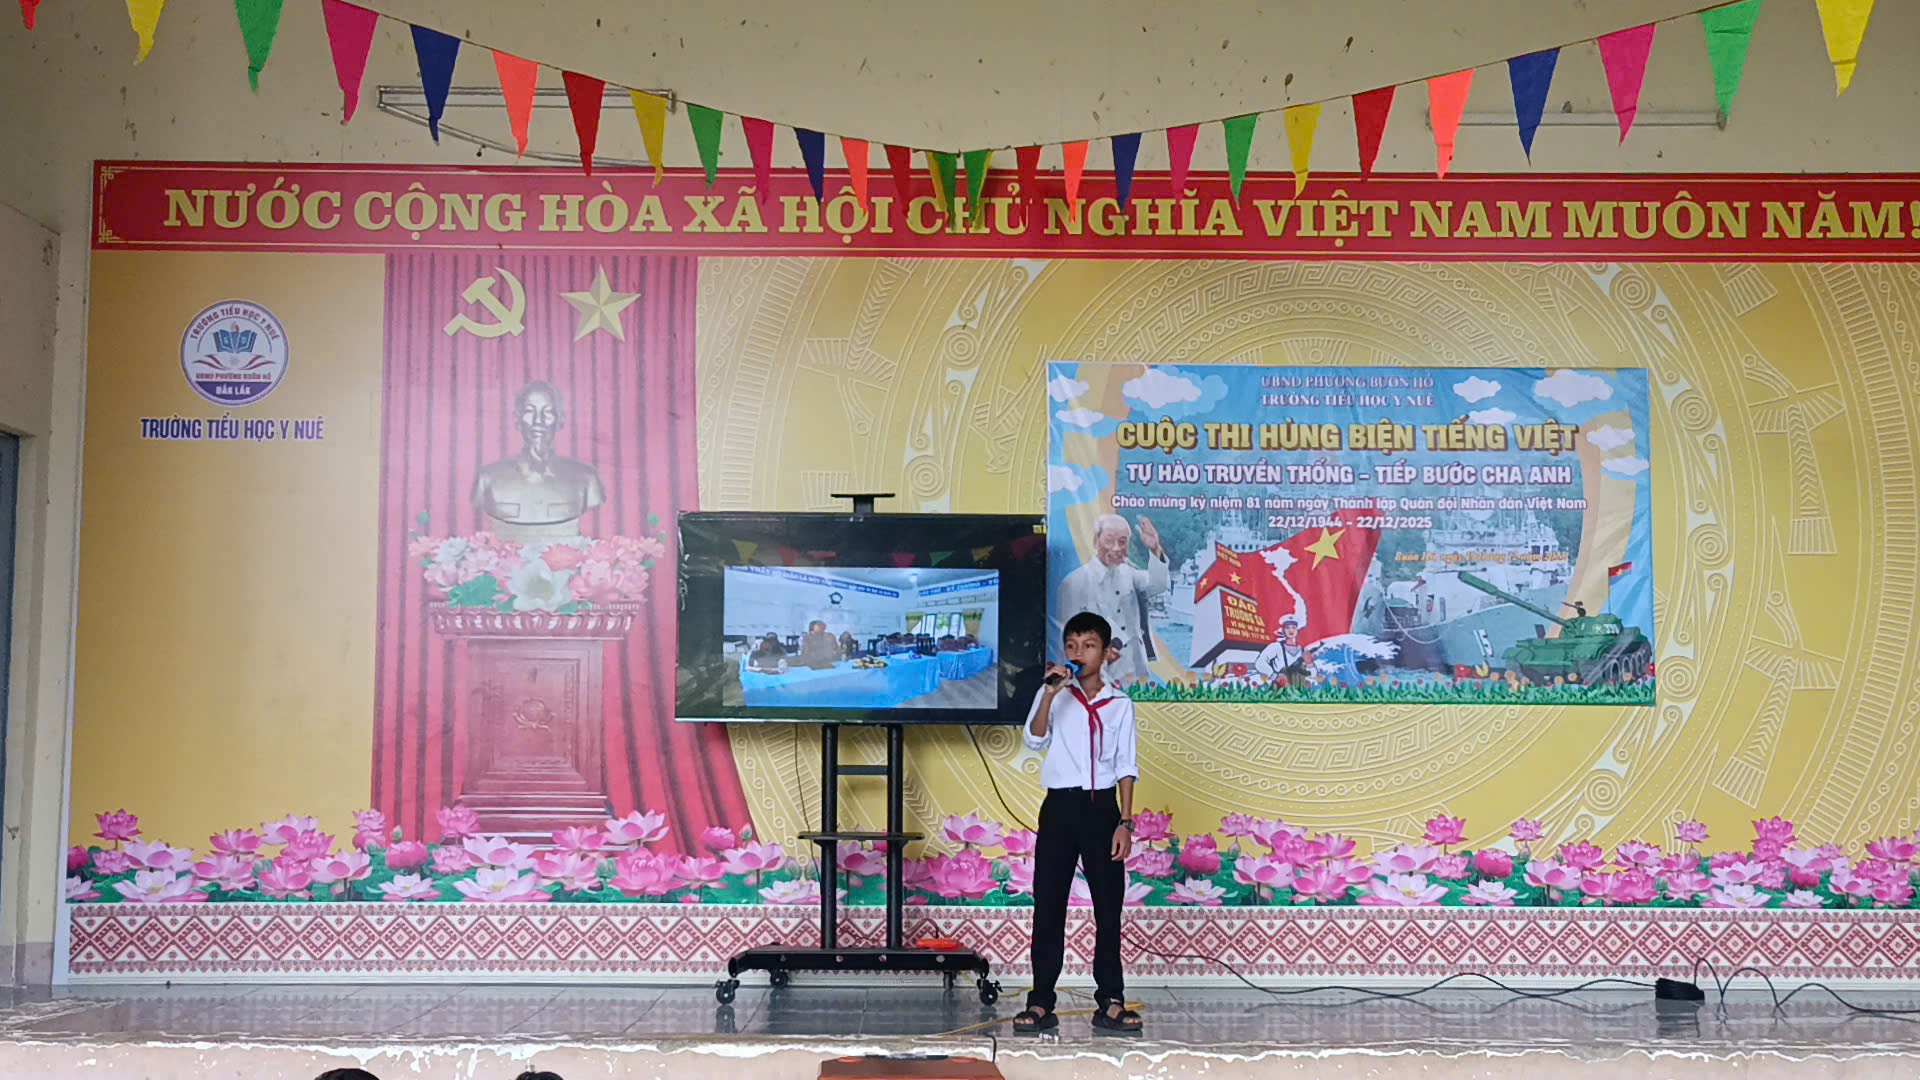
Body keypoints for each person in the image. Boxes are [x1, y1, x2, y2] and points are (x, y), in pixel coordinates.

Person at [1013, 611, 1143, 1037]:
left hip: (1102, 809)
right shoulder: (1053, 693)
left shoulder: (1120, 704)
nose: (1078, 653)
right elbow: (1034, 739)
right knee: (1048, 905)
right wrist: (1050, 695)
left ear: (1105, 654)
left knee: (1108, 907)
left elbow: (1126, 765)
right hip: (1059, 808)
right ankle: (1040, 1000)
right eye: (1071, 645)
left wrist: (1125, 822)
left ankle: (1111, 1000)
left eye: (1088, 646)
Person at [471, 381, 607, 544]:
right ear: (517, 420)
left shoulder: (586, 479)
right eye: (529, 411)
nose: (538, 421)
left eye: (547, 412)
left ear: (561, 420)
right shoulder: (488, 478)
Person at [1056, 514, 1168, 687]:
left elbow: (1159, 584)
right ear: (1096, 542)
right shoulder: (1074, 583)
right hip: (1095, 676)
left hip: (1134, 671)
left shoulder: (1131, 574)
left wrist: (1155, 549)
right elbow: (1067, 638)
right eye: (1109, 541)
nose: (1116, 548)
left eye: (1122, 542)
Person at [1254, 616, 1313, 684]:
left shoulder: (1304, 651)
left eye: (1294, 627)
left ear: (1297, 630)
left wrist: (1310, 664)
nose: (1291, 630)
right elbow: (1260, 662)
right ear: (1283, 630)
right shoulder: (1275, 647)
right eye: (1287, 627)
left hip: (1299, 687)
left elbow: (1313, 675)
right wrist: (1274, 675)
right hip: (1280, 686)